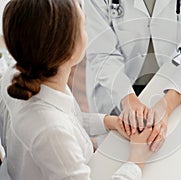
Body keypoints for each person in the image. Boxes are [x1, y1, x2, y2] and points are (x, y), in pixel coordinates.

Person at [0, 0, 152, 179]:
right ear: (69, 48)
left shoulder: (19, 75)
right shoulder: (51, 131)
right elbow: (57, 130)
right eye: (83, 25)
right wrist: (136, 161)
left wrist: (109, 122)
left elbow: (68, 121)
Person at [85, 0, 181, 152]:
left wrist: (166, 105)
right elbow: (102, 53)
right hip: (113, 85)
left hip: (168, 86)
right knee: (112, 155)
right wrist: (127, 98)